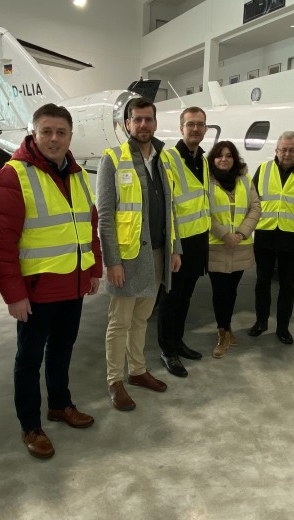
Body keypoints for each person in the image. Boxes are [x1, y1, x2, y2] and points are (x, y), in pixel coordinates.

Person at [0, 103, 101, 460]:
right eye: (46, 132)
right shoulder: (13, 175)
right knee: (28, 360)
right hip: (35, 292)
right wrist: (13, 295)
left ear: (70, 136)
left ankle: (60, 404)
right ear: (34, 134)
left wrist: (93, 269)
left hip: (73, 284)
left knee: (63, 348)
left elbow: (89, 225)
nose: (54, 139)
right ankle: (30, 425)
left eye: (61, 132)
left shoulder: (78, 174)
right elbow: (1, 244)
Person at [96, 97, 181, 411]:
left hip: (158, 253)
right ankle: (115, 380)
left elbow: (170, 208)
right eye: (137, 119)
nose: (143, 125)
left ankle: (138, 371)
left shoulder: (162, 158)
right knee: (119, 322)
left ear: (155, 123)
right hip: (129, 258)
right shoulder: (113, 159)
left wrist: (176, 249)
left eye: (148, 119)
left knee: (142, 318)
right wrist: (112, 261)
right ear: (127, 124)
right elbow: (105, 215)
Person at [248, 131, 294, 344]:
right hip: (264, 234)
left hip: (292, 237)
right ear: (276, 150)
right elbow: (252, 202)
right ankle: (261, 322)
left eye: (292, 150)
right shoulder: (263, 169)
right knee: (262, 282)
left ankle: (283, 328)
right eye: (283, 150)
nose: (287, 154)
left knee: (287, 285)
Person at [157, 106, 211, 377]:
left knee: (186, 297)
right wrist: (174, 248)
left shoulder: (202, 158)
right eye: (191, 124)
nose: (196, 129)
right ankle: (167, 350)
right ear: (181, 128)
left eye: (201, 124)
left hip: (198, 240)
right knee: (171, 298)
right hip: (179, 244)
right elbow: (168, 208)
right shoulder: (169, 159)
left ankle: (178, 341)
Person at [206, 141, 261, 358]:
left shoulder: (245, 180)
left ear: (234, 159)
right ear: (213, 159)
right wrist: (224, 234)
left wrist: (240, 234)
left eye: (229, 156)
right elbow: (203, 210)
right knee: (220, 291)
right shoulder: (206, 181)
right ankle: (222, 330)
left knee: (232, 290)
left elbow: (255, 208)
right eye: (219, 156)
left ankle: (227, 328)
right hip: (216, 244)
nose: (224, 159)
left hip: (240, 245)